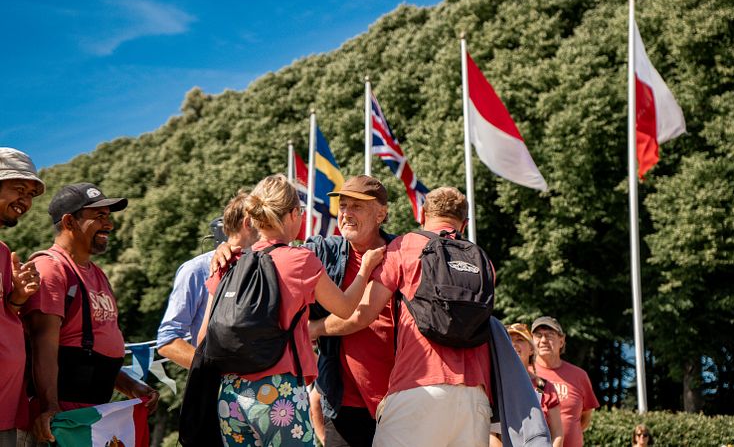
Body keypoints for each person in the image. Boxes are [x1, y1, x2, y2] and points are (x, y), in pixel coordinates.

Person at [198, 174, 384, 447]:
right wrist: (366, 269)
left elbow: (204, 337)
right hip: (278, 394)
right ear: (294, 214)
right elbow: (345, 308)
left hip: (230, 397)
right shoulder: (299, 260)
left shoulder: (228, 263)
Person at [313, 186, 493, 447]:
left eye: (358, 206)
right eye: (343, 205)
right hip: (473, 394)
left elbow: (360, 315)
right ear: (464, 224)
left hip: (415, 390)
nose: (347, 213)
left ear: (421, 215)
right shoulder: (482, 260)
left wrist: (314, 328)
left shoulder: (405, 247)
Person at [21, 183, 159, 446]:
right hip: (62, 421)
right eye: (99, 217)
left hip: (92, 415)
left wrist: (130, 386)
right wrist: (50, 408)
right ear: (69, 221)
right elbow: (43, 345)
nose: (109, 224)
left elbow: (95, 350)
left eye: (108, 216)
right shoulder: (51, 269)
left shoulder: (97, 274)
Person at [157, 194, 256, 369]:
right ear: (248, 223)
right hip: (218, 390)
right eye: (264, 220)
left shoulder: (264, 266)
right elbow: (168, 341)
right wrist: (212, 373)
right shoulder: (195, 270)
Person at [0, 148, 44, 447]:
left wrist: (16, 299)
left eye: (30, 194)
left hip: (6, 412)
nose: (25, 202)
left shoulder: (4, 253)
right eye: (18, 189)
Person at [489, 323, 563, 447]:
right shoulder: (494, 385)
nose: (514, 344)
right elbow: (490, 434)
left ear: (531, 349)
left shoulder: (545, 387)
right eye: (509, 340)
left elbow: (557, 434)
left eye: (520, 340)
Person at [532, 316, 599, 447]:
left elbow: (585, 418)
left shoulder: (579, 376)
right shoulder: (525, 374)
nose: (544, 340)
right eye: (538, 335)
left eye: (550, 335)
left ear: (561, 341)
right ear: (532, 341)